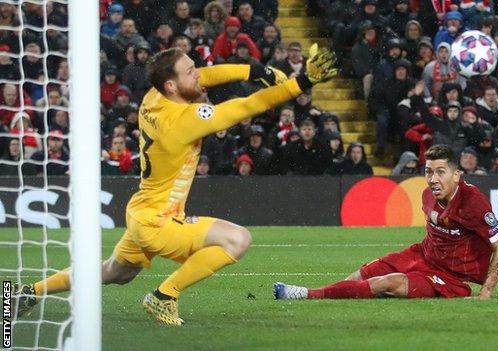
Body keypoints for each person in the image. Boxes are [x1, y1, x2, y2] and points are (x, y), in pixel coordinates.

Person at [13, 45, 338, 325]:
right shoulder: (185, 120)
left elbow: (205, 77)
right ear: (172, 84)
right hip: (159, 222)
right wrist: (302, 81)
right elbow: (247, 107)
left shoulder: (155, 97)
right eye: (190, 72)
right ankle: (164, 295)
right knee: (237, 240)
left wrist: (254, 69)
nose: (199, 75)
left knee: (117, 271)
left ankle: (28, 292)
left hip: (142, 209)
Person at [274, 144, 498, 300]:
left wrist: (486, 291)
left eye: (440, 172)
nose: (433, 179)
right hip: (423, 254)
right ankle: (334, 294)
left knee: (387, 283)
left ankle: (305, 294)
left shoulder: (473, 203)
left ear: (456, 175)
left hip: (450, 277)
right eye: (428, 172)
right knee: (364, 272)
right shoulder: (428, 195)